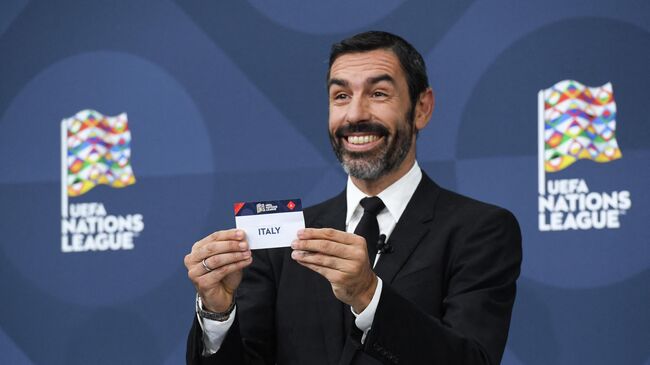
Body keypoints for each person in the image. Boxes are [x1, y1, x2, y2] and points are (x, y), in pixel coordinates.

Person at [184, 31, 522, 365]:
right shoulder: (280, 244)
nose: (355, 115)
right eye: (341, 96)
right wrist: (218, 313)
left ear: (422, 108)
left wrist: (368, 295)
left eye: (378, 93)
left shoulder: (480, 230)